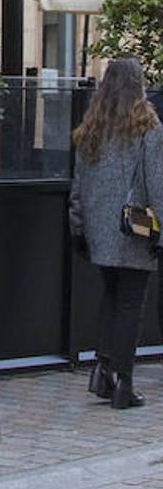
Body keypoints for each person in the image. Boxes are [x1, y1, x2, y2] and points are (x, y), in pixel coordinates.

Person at [70, 57, 163, 409]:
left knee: (111, 298)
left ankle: (104, 371)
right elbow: (158, 183)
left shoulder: (92, 126)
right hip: (136, 228)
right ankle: (123, 382)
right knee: (130, 304)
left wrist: (77, 225)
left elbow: (77, 185)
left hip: (99, 231)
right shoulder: (147, 126)